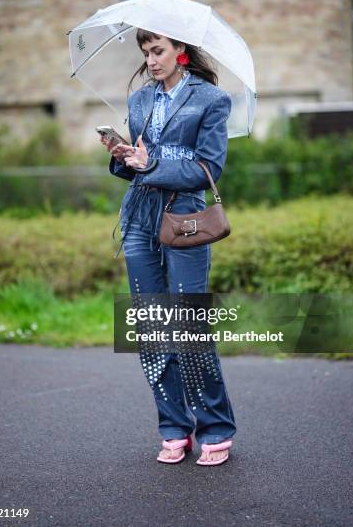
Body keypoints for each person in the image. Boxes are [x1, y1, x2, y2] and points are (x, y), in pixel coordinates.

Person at [101, 28, 236, 466]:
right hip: (138, 217)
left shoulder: (210, 100)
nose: (151, 60)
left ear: (181, 51)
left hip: (185, 219)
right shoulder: (140, 100)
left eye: (158, 50)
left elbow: (207, 168)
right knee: (151, 327)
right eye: (145, 52)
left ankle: (215, 428)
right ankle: (174, 427)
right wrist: (122, 157)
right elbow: (137, 168)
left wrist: (152, 163)